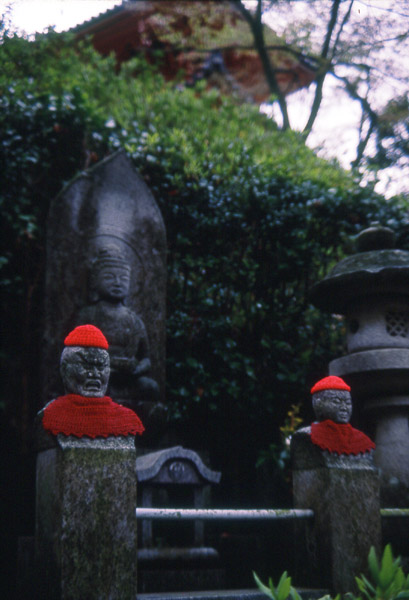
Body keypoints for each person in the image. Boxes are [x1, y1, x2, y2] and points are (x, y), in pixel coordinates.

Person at [76, 245, 160, 409]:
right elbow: (75, 352)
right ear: (94, 282)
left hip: (128, 379)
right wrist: (100, 366)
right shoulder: (88, 315)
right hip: (96, 376)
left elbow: (146, 359)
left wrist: (136, 369)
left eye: (123, 278)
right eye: (109, 277)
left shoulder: (134, 320)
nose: (117, 283)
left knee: (151, 388)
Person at [38, 324, 144, 440]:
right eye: (86, 366)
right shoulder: (50, 417)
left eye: (101, 367)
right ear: (64, 369)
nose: (94, 374)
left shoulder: (126, 421)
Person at [295, 375, 375, 456]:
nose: (344, 408)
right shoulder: (306, 435)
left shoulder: (362, 441)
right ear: (318, 404)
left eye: (348, 403)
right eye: (336, 402)